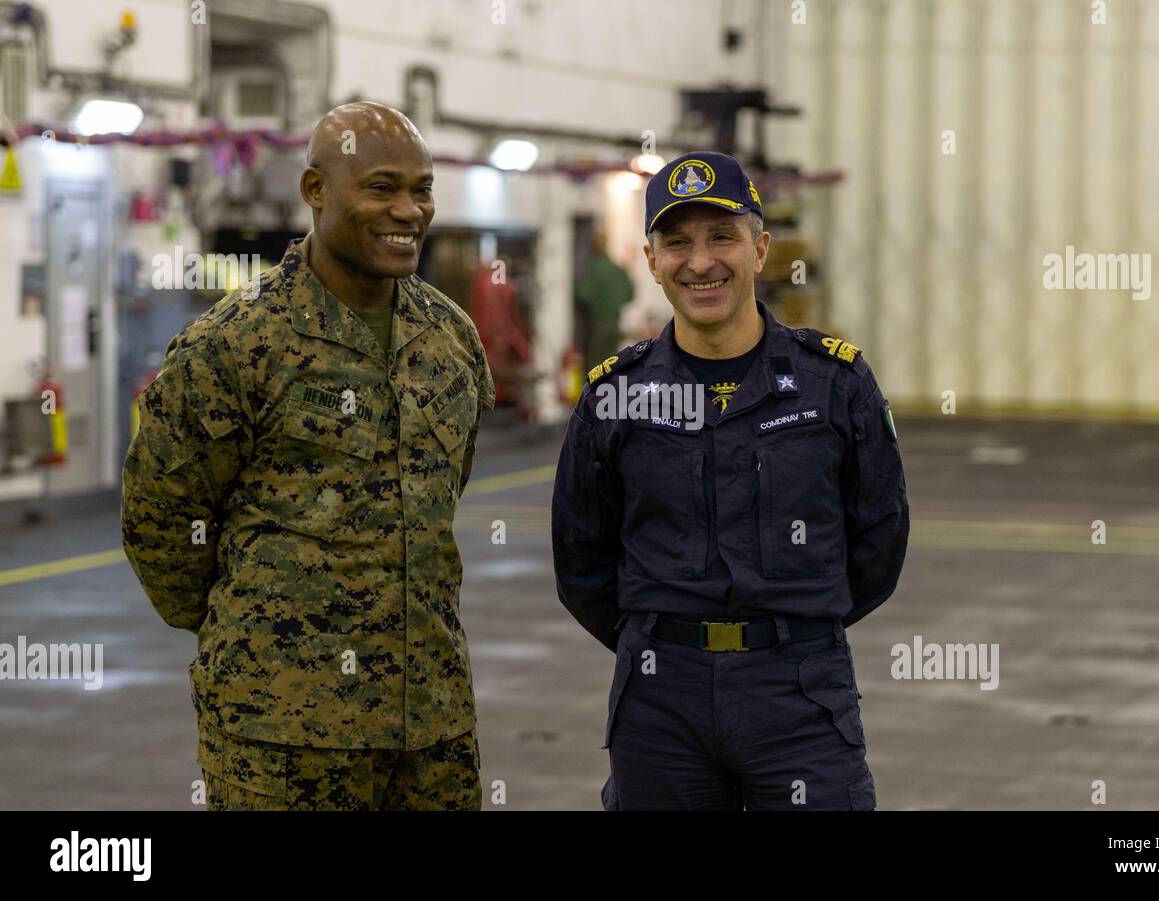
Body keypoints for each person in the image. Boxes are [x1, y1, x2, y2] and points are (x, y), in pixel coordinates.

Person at [121, 101, 495, 810]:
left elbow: (446, 490)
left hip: (431, 727)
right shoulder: (234, 345)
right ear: (315, 191)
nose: (409, 210)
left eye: (422, 190)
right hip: (285, 737)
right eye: (382, 187)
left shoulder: (450, 342)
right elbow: (160, 524)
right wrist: (258, 626)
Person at [551, 151, 909, 810]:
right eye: (677, 241)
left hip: (799, 692)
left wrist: (791, 625)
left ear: (761, 248)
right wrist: (665, 635)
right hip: (660, 695)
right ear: (651, 259)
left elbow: (878, 542)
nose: (701, 260)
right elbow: (582, 559)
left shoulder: (834, 382)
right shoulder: (616, 394)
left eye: (722, 236)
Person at [574, 228, 635, 368]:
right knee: (611, 365)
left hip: (596, 325)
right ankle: (609, 390)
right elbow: (629, 295)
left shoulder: (592, 268)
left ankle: (594, 391)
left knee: (594, 367)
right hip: (614, 325)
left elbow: (583, 295)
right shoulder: (617, 269)